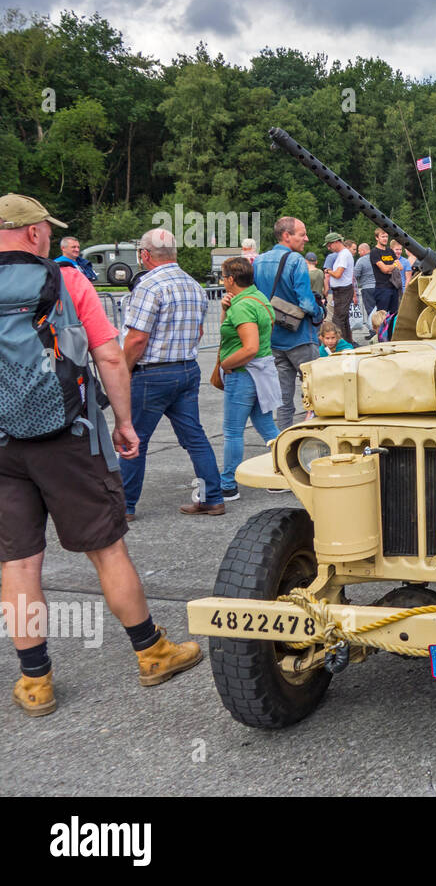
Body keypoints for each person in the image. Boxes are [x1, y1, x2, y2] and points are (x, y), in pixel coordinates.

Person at [0, 194, 204, 716]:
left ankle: (35, 680)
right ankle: (152, 652)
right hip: (66, 437)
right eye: (45, 228)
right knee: (106, 550)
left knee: (19, 564)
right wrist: (125, 422)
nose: (48, 235)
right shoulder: (66, 282)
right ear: (31, 233)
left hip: (3, 445)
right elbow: (109, 354)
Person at [119, 228, 223, 519]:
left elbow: (137, 338)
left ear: (145, 255)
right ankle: (211, 497)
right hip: (187, 369)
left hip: (151, 373)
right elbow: (200, 331)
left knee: (133, 439)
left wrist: (122, 370)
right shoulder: (194, 285)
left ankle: (124, 505)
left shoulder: (149, 286)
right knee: (195, 438)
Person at [212, 257, 279, 502]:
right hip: (260, 373)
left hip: (243, 374)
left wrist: (226, 364)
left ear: (231, 279)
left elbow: (249, 347)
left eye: (223, 277)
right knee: (266, 426)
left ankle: (228, 485)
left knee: (232, 431)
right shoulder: (258, 298)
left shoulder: (242, 306)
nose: (221, 281)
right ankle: (283, 473)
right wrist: (224, 309)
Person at [254, 216, 322, 431]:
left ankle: (283, 439)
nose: (306, 239)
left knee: (283, 399)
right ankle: (317, 439)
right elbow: (305, 302)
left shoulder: (259, 260)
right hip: (300, 337)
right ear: (286, 236)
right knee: (317, 392)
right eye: (302, 234)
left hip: (273, 338)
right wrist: (320, 313)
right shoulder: (295, 261)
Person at [322, 232, 354, 344]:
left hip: (343, 290)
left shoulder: (344, 254)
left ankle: (338, 345)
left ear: (336, 242)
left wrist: (328, 271)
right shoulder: (342, 254)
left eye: (329, 245)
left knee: (337, 320)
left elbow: (338, 274)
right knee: (344, 320)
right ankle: (347, 343)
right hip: (341, 290)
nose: (328, 248)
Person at [371, 228, 402, 315]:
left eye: (386, 236)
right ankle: (379, 329)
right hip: (382, 288)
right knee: (381, 316)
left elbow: (400, 267)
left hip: (394, 287)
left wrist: (390, 268)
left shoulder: (390, 251)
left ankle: (390, 329)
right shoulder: (374, 252)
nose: (385, 239)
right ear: (377, 238)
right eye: (382, 236)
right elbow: (384, 269)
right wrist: (393, 267)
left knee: (394, 315)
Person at [355, 241, 376, 337]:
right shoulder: (376, 258)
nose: (358, 253)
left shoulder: (361, 260)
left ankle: (373, 332)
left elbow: (355, 275)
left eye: (359, 251)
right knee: (378, 310)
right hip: (378, 287)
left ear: (363, 251)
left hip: (367, 288)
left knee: (370, 310)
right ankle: (380, 330)